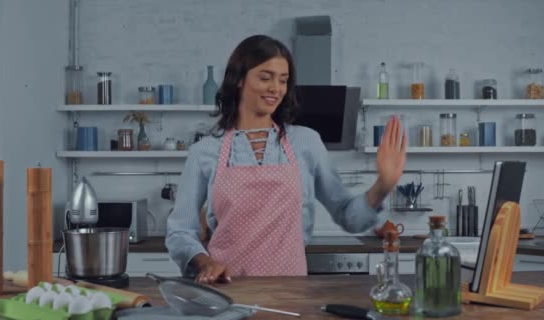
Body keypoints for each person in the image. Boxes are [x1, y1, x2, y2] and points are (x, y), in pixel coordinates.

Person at [166, 34, 407, 284]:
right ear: (238, 79)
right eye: (265, 77)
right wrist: (205, 262)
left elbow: (348, 215)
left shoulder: (306, 142)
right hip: (227, 290)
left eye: (283, 80)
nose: (276, 88)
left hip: (290, 293)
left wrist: (384, 184)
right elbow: (180, 230)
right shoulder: (205, 151)